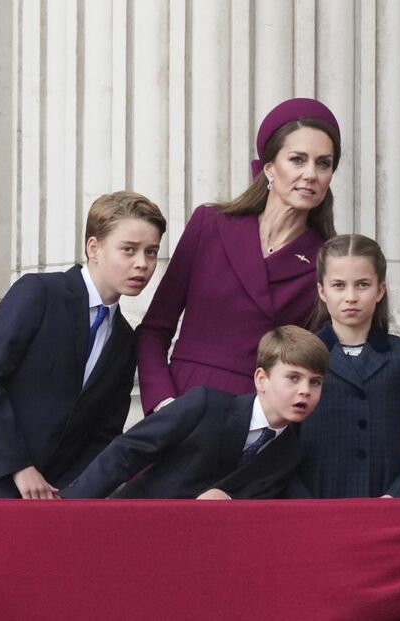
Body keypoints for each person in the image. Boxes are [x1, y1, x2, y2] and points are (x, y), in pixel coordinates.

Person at [0, 191, 166, 499]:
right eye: (129, 250)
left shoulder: (125, 339)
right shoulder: (39, 293)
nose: (142, 264)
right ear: (94, 247)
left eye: (151, 252)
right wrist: (19, 466)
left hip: (49, 501)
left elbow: (103, 434)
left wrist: (69, 493)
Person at [136, 98, 341, 416]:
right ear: (270, 167)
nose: (311, 174)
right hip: (183, 405)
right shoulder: (210, 225)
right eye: (298, 159)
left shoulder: (326, 262)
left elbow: (317, 364)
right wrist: (164, 405)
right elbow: (154, 329)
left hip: (257, 419)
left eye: (323, 163)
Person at [59, 325, 329, 499]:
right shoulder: (206, 404)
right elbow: (129, 450)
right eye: (293, 378)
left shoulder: (289, 453)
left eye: (315, 382)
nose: (305, 390)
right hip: (136, 526)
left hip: (201, 558)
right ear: (261, 379)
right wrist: (70, 508)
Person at [289, 234, 400, 498]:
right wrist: (304, 504)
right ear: (322, 291)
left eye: (362, 285)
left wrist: (395, 499)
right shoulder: (299, 355)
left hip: (385, 505)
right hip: (315, 507)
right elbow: (280, 444)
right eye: (339, 285)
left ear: (380, 290)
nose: (351, 297)